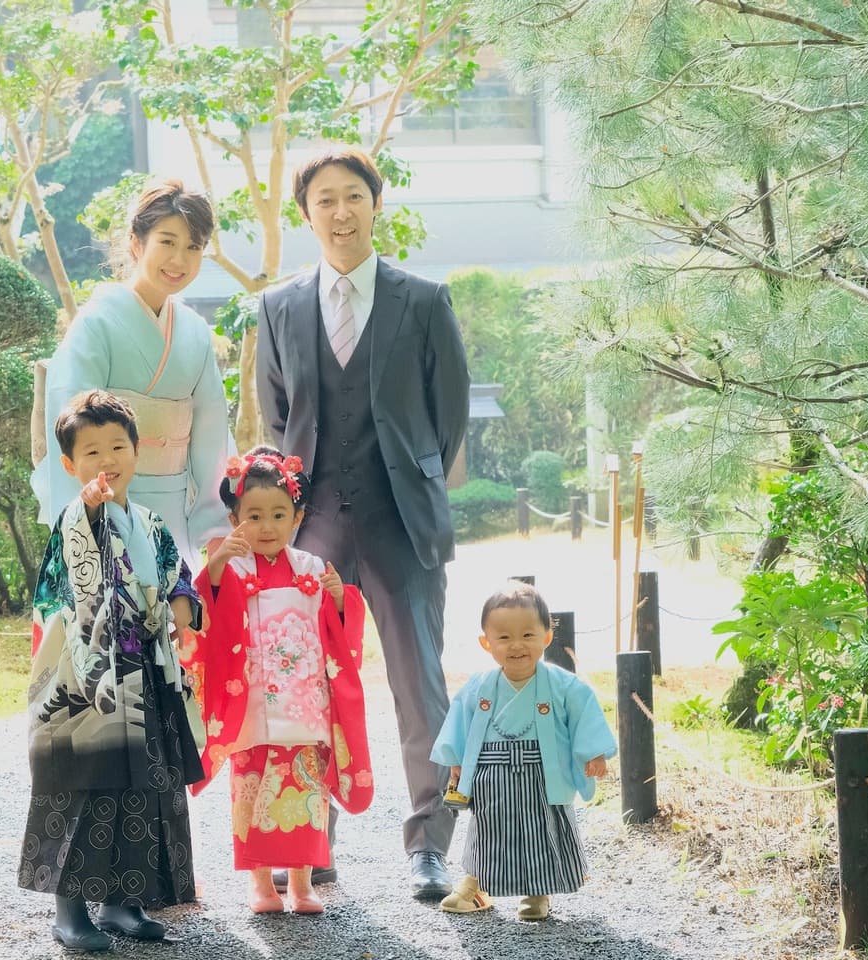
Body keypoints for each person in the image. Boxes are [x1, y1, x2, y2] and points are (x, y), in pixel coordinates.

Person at [255, 146, 469, 899]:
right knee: (302, 690)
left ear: (377, 205)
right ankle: (311, 843)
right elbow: (277, 422)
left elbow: (447, 424)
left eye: (353, 197)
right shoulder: (279, 306)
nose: (340, 213)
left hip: (401, 524)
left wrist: (406, 483)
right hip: (312, 529)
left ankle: (429, 846)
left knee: (421, 689)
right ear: (305, 214)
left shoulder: (425, 299)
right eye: (324, 201)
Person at [19, 390, 205, 952]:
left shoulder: (149, 522)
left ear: (137, 451)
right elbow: (69, 591)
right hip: (89, 681)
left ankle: (125, 902)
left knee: (144, 790)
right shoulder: (74, 520)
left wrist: (181, 604)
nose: (107, 460)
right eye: (91, 451)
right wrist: (93, 513)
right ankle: (69, 910)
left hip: (146, 673)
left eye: (117, 446)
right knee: (82, 786)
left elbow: (177, 575)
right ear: (70, 465)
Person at [181, 446, 374, 915]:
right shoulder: (234, 568)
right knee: (252, 792)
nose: (266, 526)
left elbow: (342, 628)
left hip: (304, 704)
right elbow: (203, 614)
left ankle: (302, 884)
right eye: (254, 516)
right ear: (234, 519)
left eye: (278, 515)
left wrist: (341, 601)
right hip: (250, 704)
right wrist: (217, 569)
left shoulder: (311, 569)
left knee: (306, 794)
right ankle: (261, 884)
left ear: (297, 516)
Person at [31, 180, 234, 568]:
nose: (180, 259)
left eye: (193, 247)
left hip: (174, 507)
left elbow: (211, 433)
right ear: (137, 243)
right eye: (168, 242)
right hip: (111, 504)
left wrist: (213, 522)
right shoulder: (98, 323)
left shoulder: (193, 330)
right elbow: (71, 425)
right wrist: (89, 515)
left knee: (174, 614)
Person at [430, 581, 616, 920]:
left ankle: (537, 892)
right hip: (492, 773)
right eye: (503, 637)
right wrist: (456, 763)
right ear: (486, 643)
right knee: (487, 830)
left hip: (543, 773)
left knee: (540, 831)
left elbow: (585, 716)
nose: (517, 645)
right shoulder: (479, 686)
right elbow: (458, 723)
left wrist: (594, 752)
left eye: (528, 635)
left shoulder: (564, 685)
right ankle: (474, 886)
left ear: (547, 636)